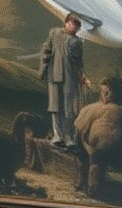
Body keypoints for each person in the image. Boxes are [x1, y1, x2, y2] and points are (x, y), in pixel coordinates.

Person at [39, 13, 91, 147]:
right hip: (54, 75)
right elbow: (46, 50)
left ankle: (70, 139)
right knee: (55, 107)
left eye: (77, 27)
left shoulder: (77, 42)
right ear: (66, 22)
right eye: (73, 24)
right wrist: (43, 70)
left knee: (69, 109)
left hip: (70, 78)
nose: (74, 28)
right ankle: (58, 136)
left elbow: (79, 63)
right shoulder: (55, 33)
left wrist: (82, 77)